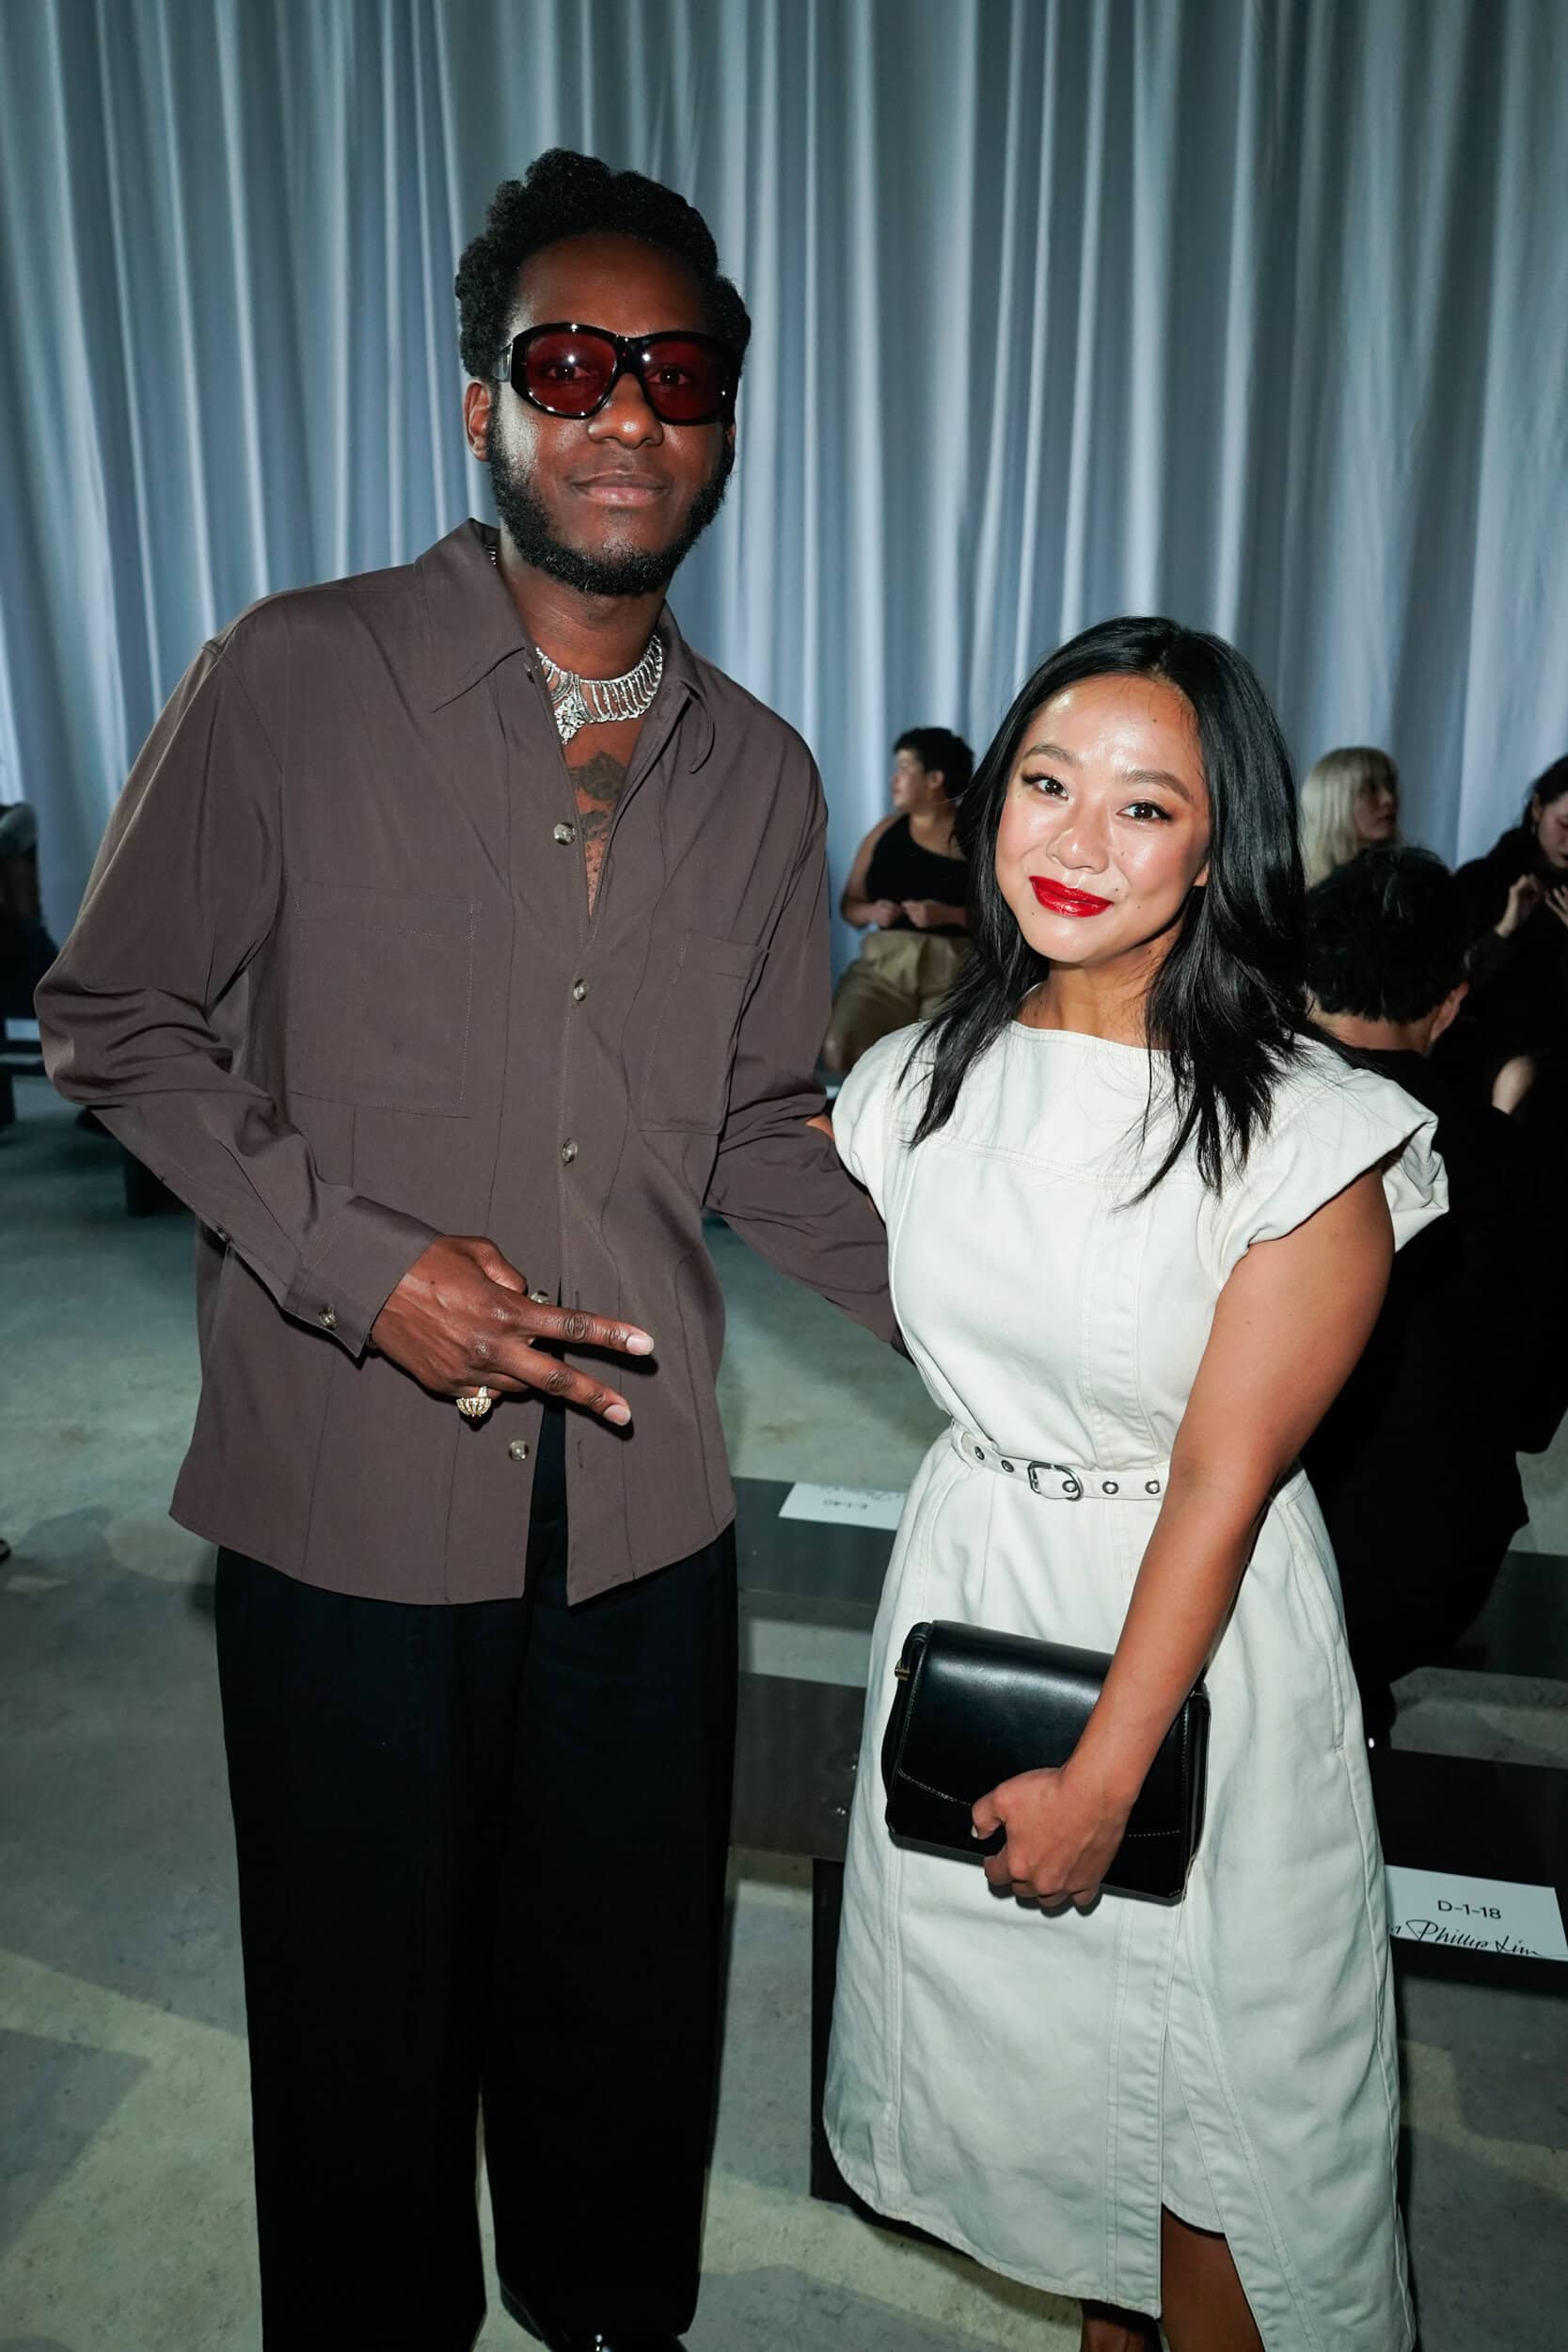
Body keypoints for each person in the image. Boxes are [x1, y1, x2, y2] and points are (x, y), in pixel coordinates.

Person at [38, 151, 900, 2352]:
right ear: (480, 405)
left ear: (723, 427)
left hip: (643, 1522)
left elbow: (762, 1127)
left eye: (675, 373)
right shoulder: (294, 675)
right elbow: (115, 1015)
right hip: (341, 1512)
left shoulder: (763, 774)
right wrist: (362, 1264)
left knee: (627, 2024)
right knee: (364, 2051)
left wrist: (1042, 1327)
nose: (623, 410)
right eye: (568, 362)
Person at [822, 620, 1442, 2352]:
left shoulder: (1305, 1137)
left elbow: (1219, 1488)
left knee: (1226, 2126)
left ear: (1219, 841)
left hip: (1198, 1638)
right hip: (975, 1580)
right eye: (1045, 783)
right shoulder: (913, 1079)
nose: (1075, 841)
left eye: (1143, 806)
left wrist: (1105, 1774)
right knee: (1059, 2112)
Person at [1303, 847, 1565, 1735]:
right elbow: (1531, 1411)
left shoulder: (1230, 1128)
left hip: (1244, 1540)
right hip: (1429, 1564)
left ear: (1305, 980)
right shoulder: (1515, 1166)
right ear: (1449, 1001)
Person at [820, 725, 973, 1073]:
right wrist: (871, 911)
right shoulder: (885, 832)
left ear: (935, 779)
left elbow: (1003, 917)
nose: (894, 779)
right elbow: (850, 905)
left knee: (939, 1060)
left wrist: (947, 915)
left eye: (904, 768)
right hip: (883, 971)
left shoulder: (975, 837)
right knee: (840, 1044)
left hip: (952, 973)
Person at [1442, 755, 1568, 1119]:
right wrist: (1504, 930)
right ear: (1538, 808)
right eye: (1564, 824)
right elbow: (1447, 983)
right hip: (1476, 1046)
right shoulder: (1482, 881)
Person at [1298, 743, 1399, 885]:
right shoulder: (1295, 888)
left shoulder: (1414, 881)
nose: (1389, 799)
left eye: (1390, 785)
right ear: (1333, 802)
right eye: (1369, 789)